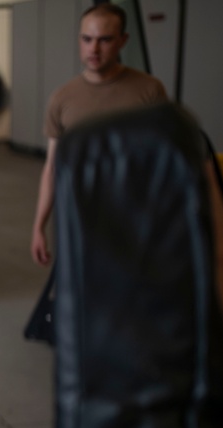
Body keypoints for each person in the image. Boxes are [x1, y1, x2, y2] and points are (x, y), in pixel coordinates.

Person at [29, 2, 168, 267]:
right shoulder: (62, 99)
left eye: (104, 40)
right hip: (80, 219)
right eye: (87, 39)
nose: (93, 49)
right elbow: (52, 168)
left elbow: (163, 161)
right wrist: (39, 226)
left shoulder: (149, 91)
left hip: (136, 219)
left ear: (123, 41)